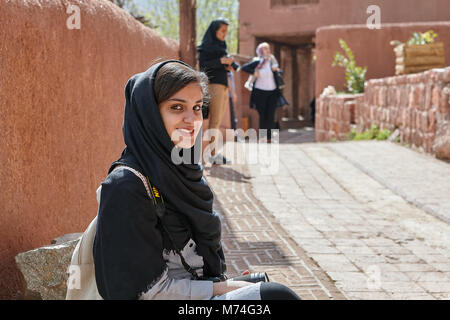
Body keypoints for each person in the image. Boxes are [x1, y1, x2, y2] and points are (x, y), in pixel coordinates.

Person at [92, 60, 301, 300]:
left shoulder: (182, 170)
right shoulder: (126, 187)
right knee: (277, 297)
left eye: (197, 107)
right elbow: (145, 293)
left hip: (192, 292)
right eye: (177, 108)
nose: (192, 121)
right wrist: (221, 288)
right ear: (149, 113)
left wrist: (221, 283)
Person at [197, 18, 237, 164]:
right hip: (213, 85)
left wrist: (229, 65)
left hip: (223, 86)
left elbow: (226, 65)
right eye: (222, 31)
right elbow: (203, 65)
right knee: (214, 121)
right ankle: (212, 154)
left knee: (217, 121)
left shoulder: (222, 47)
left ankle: (213, 153)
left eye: (226, 31)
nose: (224, 34)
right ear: (214, 31)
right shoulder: (205, 47)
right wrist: (220, 62)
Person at [241, 42, 288, 143]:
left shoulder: (272, 61)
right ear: (260, 51)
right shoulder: (257, 61)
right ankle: (263, 137)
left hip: (272, 92)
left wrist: (277, 70)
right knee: (262, 115)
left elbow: (280, 73)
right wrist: (254, 72)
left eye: (268, 48)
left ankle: (269, 138)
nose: (268, 50)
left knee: (270, 115)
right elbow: (244, 67)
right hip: (259, 92)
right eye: (265, 49)